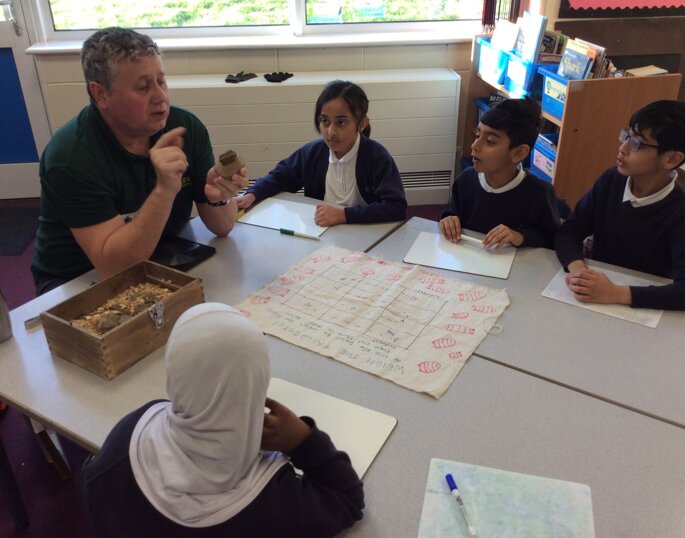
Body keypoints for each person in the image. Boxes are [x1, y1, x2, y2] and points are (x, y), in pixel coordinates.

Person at [82, 303, 365, 536]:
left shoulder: (130, 433)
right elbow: (348, 500)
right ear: (258, 388)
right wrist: (302, 440)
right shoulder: (277, 505)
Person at [31, 28, 245, 295]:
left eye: (161, 81)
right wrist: (164, 190)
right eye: (143, 87)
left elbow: (223, 226)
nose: (160, 97)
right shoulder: (70, 157)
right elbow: (115, 268)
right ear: (101, 94)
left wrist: (220, 197)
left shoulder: (185, 128)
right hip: (77, 279)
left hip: (160, 255)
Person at [555, 100, 685, 311]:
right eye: (627, 136)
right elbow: (569, 231)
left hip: (642, 304)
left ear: (671, 159)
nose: (623, 148)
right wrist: (579, 271)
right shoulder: (612, 180)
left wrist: (616, 293)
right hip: (598, 290)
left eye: (637, 143)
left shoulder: (682, 213)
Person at [237, 80, 407, 226]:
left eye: (341, 122)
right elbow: (280, 177)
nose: (331, 132)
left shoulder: (377, 157)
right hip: (322, 230)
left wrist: (344, 215)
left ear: (361, 124)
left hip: (366, 232)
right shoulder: (312, 153)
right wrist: (253, 193)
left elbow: (396, 207)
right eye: (325, 121)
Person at [438, 98, 560, 249]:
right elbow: (454, 213)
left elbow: (552, 239)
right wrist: (448, 219)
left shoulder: (539, 193)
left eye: (490, 141)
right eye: (477, 135)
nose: (475, 145)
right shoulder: (465, 180)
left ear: (519, 153)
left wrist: (519, 236)